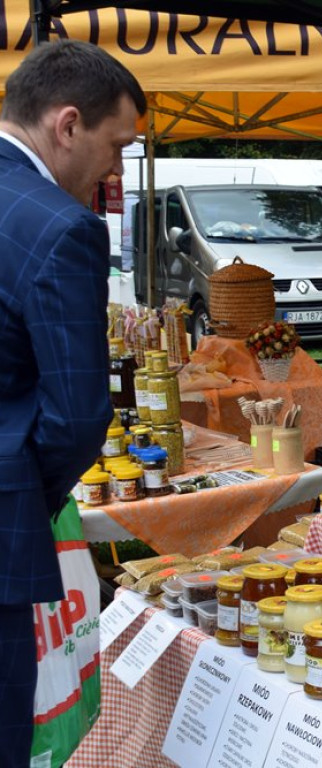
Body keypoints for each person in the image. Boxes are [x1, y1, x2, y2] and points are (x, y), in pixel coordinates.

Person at [0, 40, 145, 765]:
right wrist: (31, 491)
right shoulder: (61, 227)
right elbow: (80, 416)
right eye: (116, 146)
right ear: (67, 125)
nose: (115, 170)